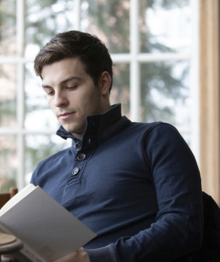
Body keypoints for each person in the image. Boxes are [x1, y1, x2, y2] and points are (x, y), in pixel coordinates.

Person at [30, 31, 203, 262]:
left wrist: (90, 259)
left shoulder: (155, 139)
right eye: (50, 92)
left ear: (103, 83)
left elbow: (184, 226)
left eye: (70, 86)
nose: (58, 101)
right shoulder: (44, 171)